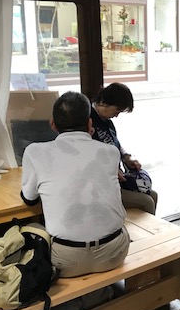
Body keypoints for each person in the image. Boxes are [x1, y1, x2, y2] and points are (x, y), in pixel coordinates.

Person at [21, 91, 130, 280]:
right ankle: (100, 292)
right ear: (90, 124)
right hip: (114, 253)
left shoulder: (35, 152)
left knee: (30, 228)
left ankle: (92, 295)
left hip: (66, 260)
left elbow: (29, 199)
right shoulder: (111, 152)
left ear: (53, 124)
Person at [90, 82, 158, 214]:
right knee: (147, 202)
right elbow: (86, 153)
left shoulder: (107, 122)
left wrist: (126, 157)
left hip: (116, 180)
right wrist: (108, 169)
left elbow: (116, 144)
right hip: (101, 185)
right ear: (103, 102)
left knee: (152, 195)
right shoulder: (88, 120)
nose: (117, 115)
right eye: (117, 111)